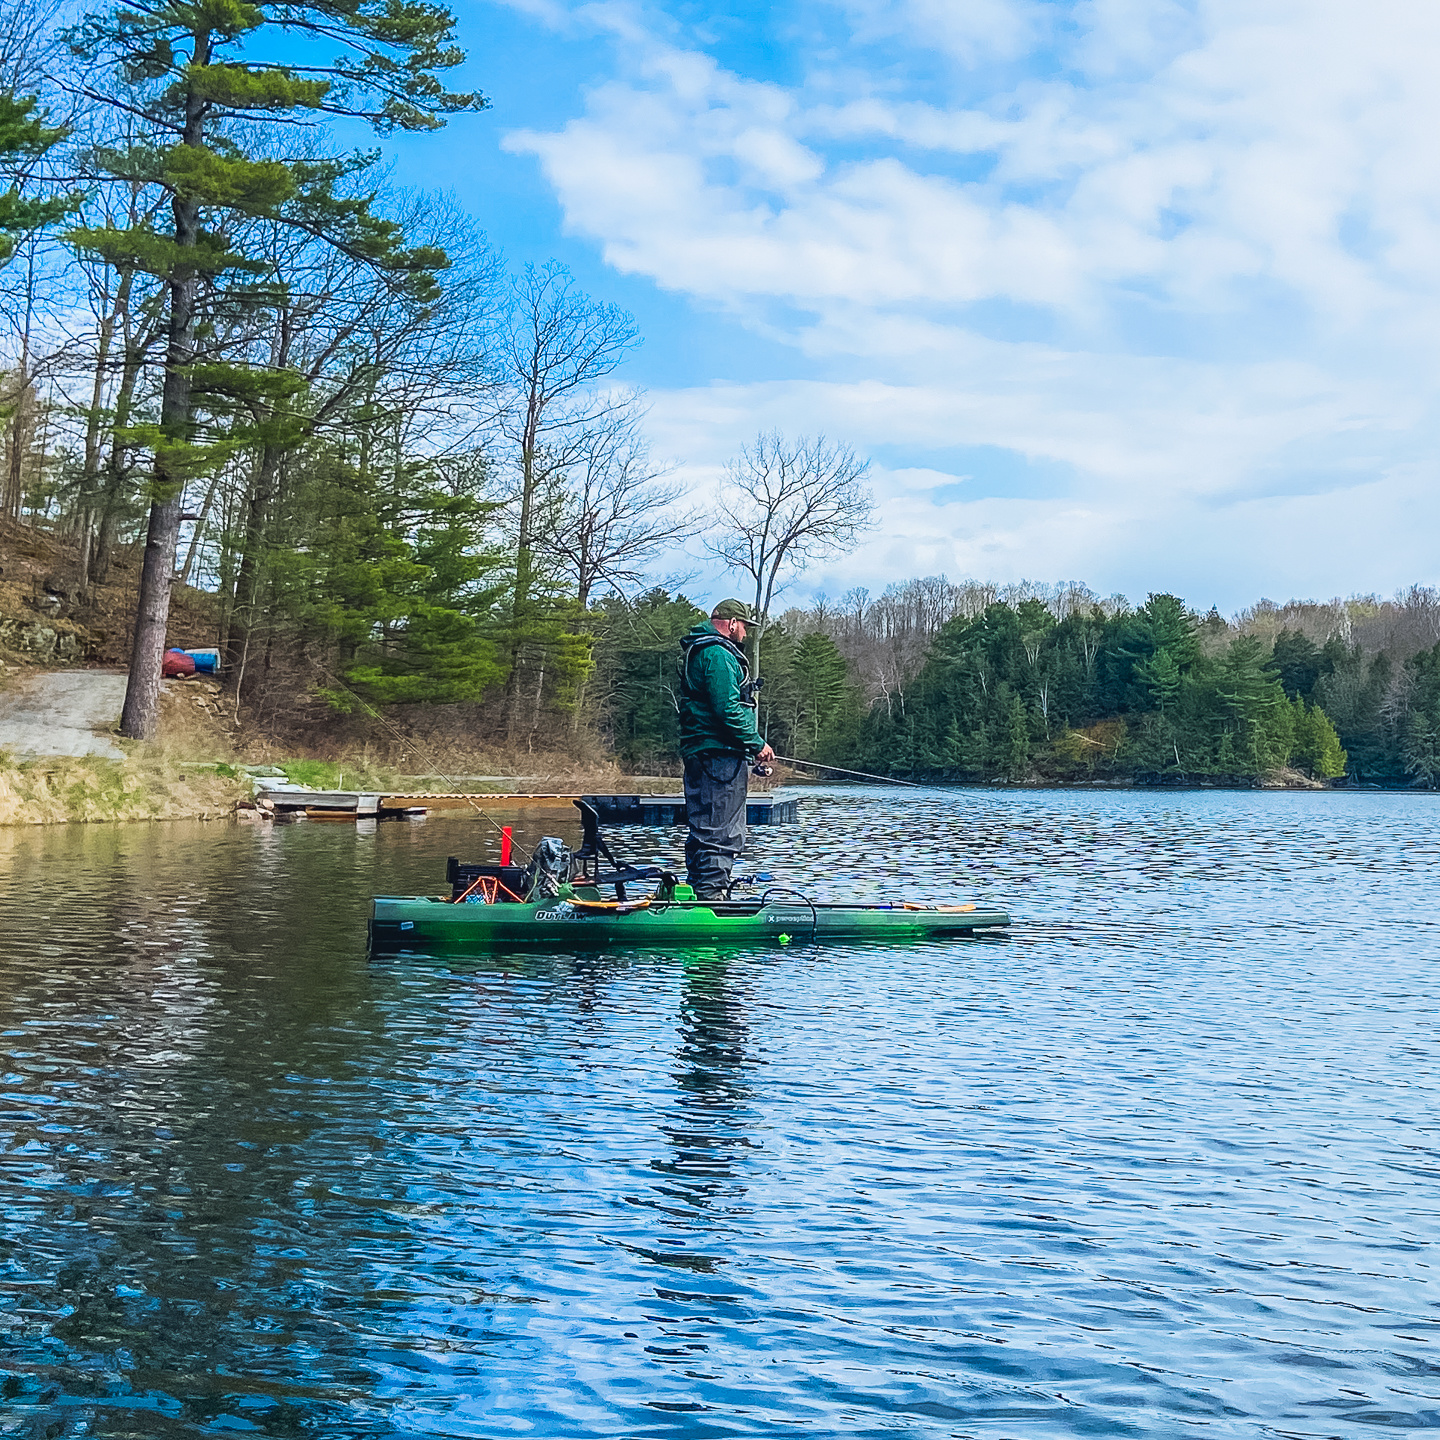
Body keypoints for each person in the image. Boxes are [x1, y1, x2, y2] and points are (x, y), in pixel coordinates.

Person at [677, 599, 776, 900]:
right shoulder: (718, 654)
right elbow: (727, 709)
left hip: (704, 753)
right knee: (721, 831)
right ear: (732, 623)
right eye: (744, 626)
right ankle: (711, 898)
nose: (745, 633)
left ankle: (699, 893)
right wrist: (757, 743)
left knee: (704, 828)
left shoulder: (704, 650)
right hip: (717, 757)